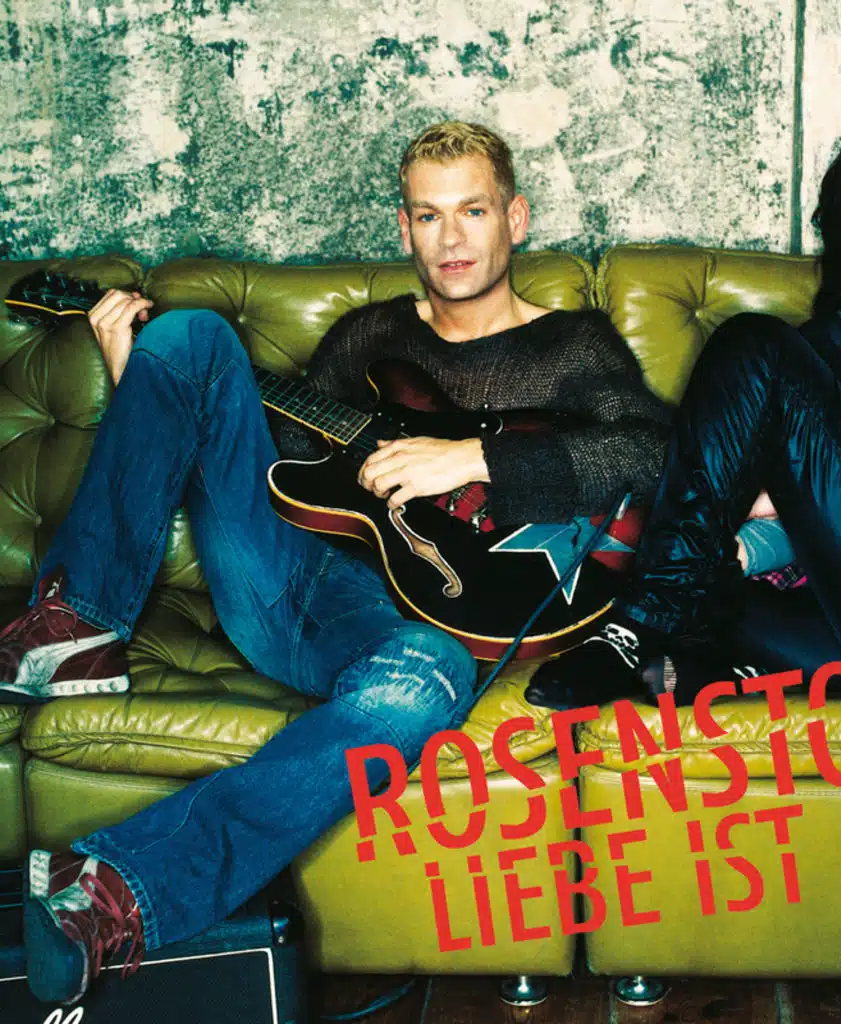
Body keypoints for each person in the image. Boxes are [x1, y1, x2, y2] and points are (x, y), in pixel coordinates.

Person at [0, 121, 670, 1004]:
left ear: (515, 217)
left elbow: (651, 454)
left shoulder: (573, 346)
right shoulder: (369, 338)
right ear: (404, 229)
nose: (452, 236)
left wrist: (471, 458)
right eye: (428, 215)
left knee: (417, 690)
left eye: (472, 211)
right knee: (192, 336)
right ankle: (77, 623)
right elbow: (264, 467)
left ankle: (115, 892)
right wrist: (146, 382)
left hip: (433, 633)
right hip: (301, 593)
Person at [527, 114, 841, 711]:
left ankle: (643, 624)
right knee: (703, 598)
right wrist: (740, 551)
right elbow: (827, 520)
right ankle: (710, 658)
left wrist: (786, 494)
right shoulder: (825, 341)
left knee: (752, 340)